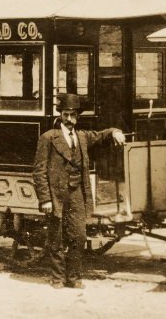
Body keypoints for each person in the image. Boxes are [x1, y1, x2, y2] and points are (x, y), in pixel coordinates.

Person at [33, 93, 126, 289]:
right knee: (56, 237)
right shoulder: (48, 138)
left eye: (73, 115)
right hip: (56, 196)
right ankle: (57, 278)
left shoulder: (82, 137)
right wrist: (45, 199)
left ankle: (74, 278)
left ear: (77, 116)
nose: (69, 119)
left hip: (76, 194)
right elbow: (39, 171)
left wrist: (115, 131)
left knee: (78, 236)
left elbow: (102, 135)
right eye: (66, 114)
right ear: (61, 115)